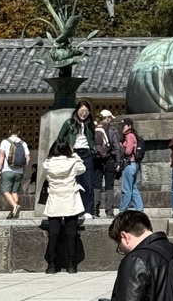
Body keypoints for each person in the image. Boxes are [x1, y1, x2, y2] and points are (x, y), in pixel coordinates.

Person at [42, 139, 85, 273]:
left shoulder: (47, 164)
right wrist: (75, 156)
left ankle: (52, 265)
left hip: (54, 198)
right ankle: (71, 264)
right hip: (70, 198)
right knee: (71, 233)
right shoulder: (72, 162)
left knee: (53, 234)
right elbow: (82, 169)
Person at [59, 101, 97, 220]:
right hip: (73, 153)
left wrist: (93, 148)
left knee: (88, 183)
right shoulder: (69, 123)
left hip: (86, 153)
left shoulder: (89, 124)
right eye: (82, 111)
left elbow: (92, 139)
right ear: (77, 111)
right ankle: (74, 210)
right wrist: (67, 148)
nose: (84, 114)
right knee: (72, 182)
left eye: (86, 111)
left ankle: (88, 210)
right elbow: (60, 137)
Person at [0, 125, 30, 220]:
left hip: (7, 170)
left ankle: (15, 206)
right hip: (19, 171)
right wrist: (23, 168)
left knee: (5, 191)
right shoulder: (23, 143)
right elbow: (28, 158)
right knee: (14, 191)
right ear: (19, 132)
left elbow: (1, 156)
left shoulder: (5, 142)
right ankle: (13, 212)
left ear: (9, 131)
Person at [95, 110, 123, 219]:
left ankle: (95, 209)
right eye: (110, 118)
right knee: (109, 186)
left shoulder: (94, 129)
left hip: (96, 160)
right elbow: (117, 147)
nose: (110, 120)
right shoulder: (112, 130)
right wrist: (118, 161)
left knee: (96, 185)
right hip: (110, 160)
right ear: (107, 118)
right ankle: (109, 211)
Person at [119, 119, 145, 213]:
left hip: (129, 164)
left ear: (129, 126)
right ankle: (139, 209)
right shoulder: (131, 135)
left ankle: (123, 209)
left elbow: (128, 151)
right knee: (133, 188)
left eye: (124, 126)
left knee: (126, 189)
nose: (122, 128)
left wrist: (120, 149)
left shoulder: (129, 136)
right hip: (133, 164)